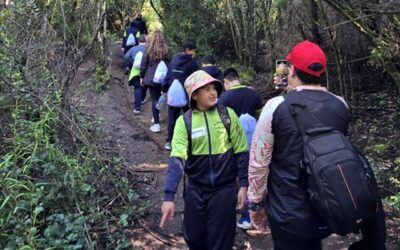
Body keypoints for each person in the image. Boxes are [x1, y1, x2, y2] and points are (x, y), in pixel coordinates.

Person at [247, 40, 386, 250]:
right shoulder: (340, 104)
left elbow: (259, 162)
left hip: (289, 212)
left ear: (292, 70)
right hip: (328, 206)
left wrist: (256, 204)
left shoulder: (275, 107)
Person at [159, 70, 249, 250]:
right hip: (195, 189)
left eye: (214, 88)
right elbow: (177, 160)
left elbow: (241, 151)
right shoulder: (185, 122)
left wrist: (244, 185)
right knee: (194, 237)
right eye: (206, 89)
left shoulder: (227, 115)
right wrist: (169, 196)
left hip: (224, 189)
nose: (213, 92)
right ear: (194, 95)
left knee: (221, 240)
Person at [217, 67, 263, 230]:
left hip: (233, 144)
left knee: (238, 177)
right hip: (255, 143)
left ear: (226, 82)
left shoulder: (224, 98)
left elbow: (220, 124)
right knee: (253, 177)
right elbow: (260, 114)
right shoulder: (253, 94)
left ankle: (244, 215)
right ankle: (256, 213)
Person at [163, 41, 199, 150]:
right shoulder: (192, 63)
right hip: (187, 95)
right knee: (189, 117)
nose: (194, 53)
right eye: (193, 50)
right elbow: (196, 79)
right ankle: (190, 142)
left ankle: (169, 141)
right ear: (188, 50)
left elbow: (168, 75)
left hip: (173, 94)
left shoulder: (174, 60)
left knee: (172, 118)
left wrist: (164, 89)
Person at [140, 30, 172, 132]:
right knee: (161, 97)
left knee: (154, 99)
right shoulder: (168, 50)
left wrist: (142, 76)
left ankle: (156, 123)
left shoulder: (149, 49)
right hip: (165, 79)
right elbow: (171, 64)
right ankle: (156, 114)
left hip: (152, 79)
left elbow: (143, 64)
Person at [127, 35, 147, 114]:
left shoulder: (133, 48)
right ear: (145, 42)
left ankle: (137, 108)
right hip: (146, 72)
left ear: (138, 41)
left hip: (135, 72)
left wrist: (130, 65)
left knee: (137, 88)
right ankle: (142, 99)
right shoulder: (148, 49)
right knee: (144, 86)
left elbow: (126, 57)